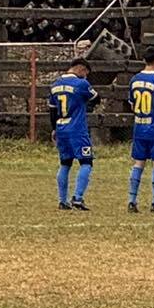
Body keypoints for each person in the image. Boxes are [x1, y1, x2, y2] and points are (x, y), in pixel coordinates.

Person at [48, 57, 98, 211]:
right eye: (86, 73)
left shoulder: (55, 85)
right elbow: (96, 98)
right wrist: (86, 105)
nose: (86, 77)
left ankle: (62, 200)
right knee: (86, 162)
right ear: (81, 69)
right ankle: (78, 197)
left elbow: (52, 110)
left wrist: (54, 128)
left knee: (65, 163)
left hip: (61, 127)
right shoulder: (81, 83)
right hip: (77, 129)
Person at [125, 47, 154, 213]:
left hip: (139, 125)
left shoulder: (135, 80)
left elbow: (131, 104)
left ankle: (132, 200)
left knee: (138, 163)